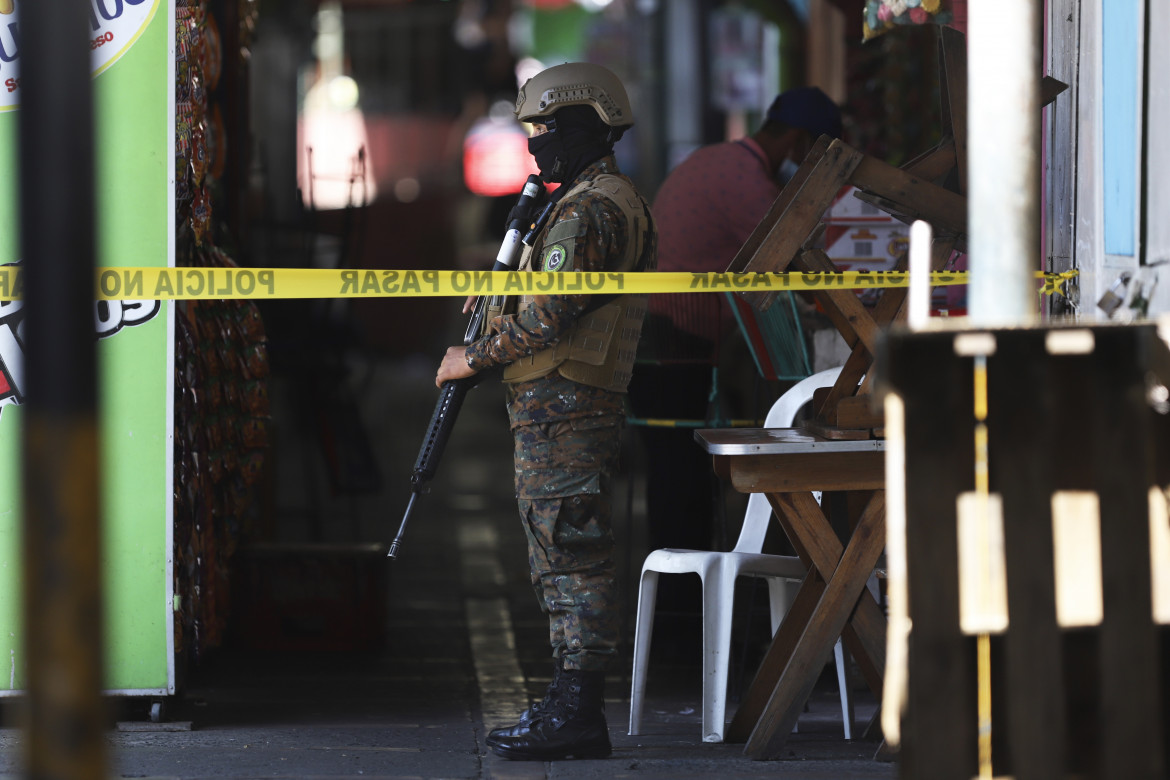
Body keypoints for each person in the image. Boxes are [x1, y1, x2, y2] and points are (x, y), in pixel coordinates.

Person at [434, 62, 656, 761]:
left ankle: (579, 711)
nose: (536, 143)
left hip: (569, 402)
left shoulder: (590, 208)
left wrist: (474, 356)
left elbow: (553, 314)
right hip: (555, 402)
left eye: (547, 127)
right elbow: (544, 299)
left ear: (586, 123)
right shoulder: (582, 200)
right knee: (558, 550)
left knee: (571, 552)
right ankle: (569, 701)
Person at [627, 87, 842, 585]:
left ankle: (680, 604)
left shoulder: (722, 161)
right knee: (681, 478)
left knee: (677, 474)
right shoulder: (745, 180)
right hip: (673, 342)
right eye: (816, 154)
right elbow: (791, 259)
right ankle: (682, 607)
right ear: (797, 140)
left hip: (665, 338)